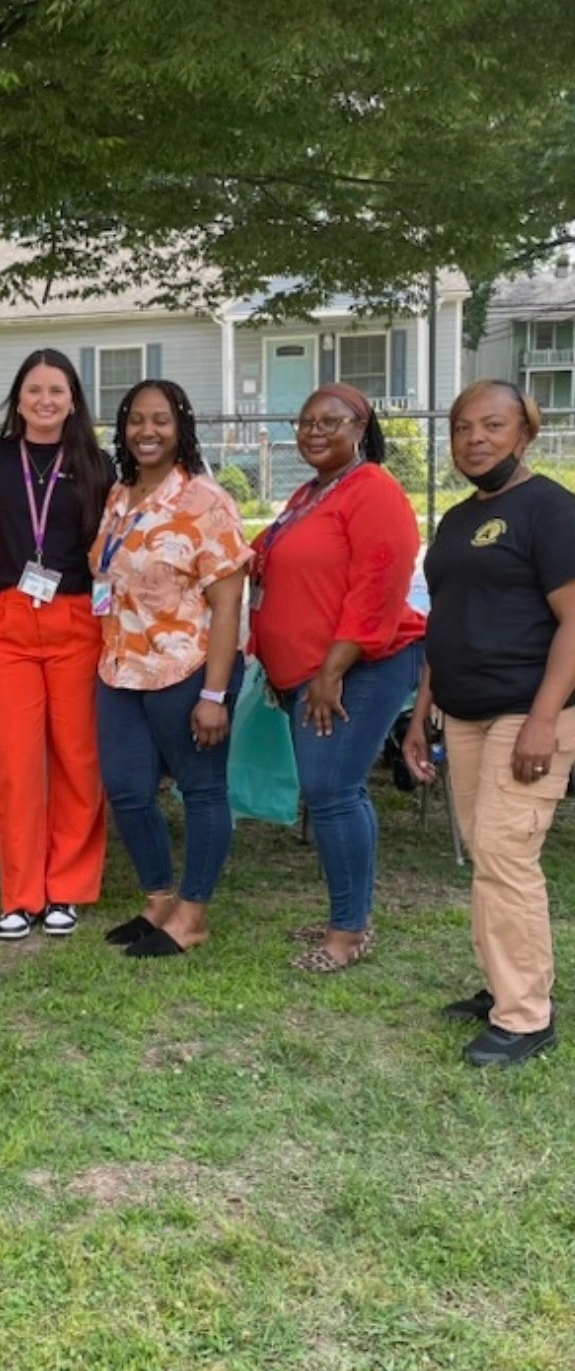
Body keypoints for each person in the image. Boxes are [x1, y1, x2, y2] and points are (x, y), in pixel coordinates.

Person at [403, 381, 575, 1066]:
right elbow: (444, 622)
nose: (475, 439)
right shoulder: (456, 520)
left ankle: (527, 1016)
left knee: (506, 857)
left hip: (526, 711)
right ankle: (507, 985)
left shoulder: (551, 509)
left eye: (492, 426)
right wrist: (422, 713)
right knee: (488, 854)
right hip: (463, 710)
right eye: (462, 427)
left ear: (524, 433)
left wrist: (543, 719)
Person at [249, 383, 424, 973]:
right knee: (340, 790)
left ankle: (348, 932)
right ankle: (349, 916)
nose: (314, 431)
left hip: (357, 668)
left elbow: (379, 586)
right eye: (305, 422)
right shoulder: (311, 493)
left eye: (330, 421)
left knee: (330, 790)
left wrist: (330, 671)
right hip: (309, 671)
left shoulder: (373, 489)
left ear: (361, 428)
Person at [93, 379, 250, 958]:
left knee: (201, 788)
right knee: (127, 789)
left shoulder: (206, 502)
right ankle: (159, 900)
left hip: (186, 669)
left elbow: (229, 603)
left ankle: (193, 914)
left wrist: (214, 694)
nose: (147, 431)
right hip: (120, 669)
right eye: (136, 419)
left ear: (180, 426)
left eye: (161, 419)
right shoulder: (119, 495)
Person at [0, 349, 114, 940]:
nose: (45, 400)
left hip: (75, 618)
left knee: (77, 757)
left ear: (73, 400)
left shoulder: (96, 464)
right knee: (15, 762)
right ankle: (21, 894)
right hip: (7, 621)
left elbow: (110, 548)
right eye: (34, 390)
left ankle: (67, 887)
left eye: (56, 390)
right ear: (18, 398)